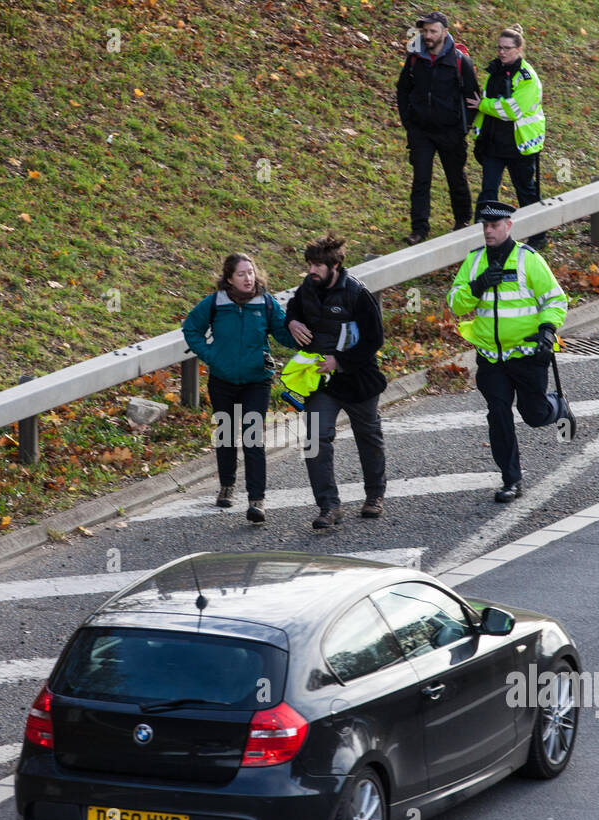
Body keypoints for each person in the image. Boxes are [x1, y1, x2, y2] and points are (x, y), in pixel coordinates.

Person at [447, 201, 572, 503]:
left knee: (533, 415)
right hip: (491, 358)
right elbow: (455, 303)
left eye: (495, 225)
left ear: (508, 226)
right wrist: (476, 287)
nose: (488, 230)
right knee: (498, 413)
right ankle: (511, 480)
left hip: (528, 355)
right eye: (485, 226)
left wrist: (547, 330)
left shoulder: (529, 259)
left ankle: (558, 408)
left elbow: (555, 299)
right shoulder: (475, 261)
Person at [182, 253, 298, 523]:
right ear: (229, 279)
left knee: (252, 437)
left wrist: (300, 331)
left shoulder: (266, 303)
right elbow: (191, 329)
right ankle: (227, 485)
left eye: (251, 272)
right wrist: (211, 356)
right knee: (225, 435)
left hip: (258, 380)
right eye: (242, 274)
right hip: (222, 380)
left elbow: (283, 334)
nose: (249, 278)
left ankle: (257, 500)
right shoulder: (215, 303)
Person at [284, 233, 388, 528]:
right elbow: (294, 307)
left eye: (318, 265)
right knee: (316, 441)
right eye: (309, 265)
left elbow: (374, 340)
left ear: (336, 266)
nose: (311, 271)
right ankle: (329, 507)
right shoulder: (308, 287)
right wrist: (291, 321)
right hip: (321, 381)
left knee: (368, 438)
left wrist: (340, 361)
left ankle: (374, 496)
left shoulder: (358, 294)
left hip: (358, 379)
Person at [396, 10, 481, 246]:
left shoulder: (459, 61)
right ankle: (419, 229)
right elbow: (402, 89)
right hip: (421, 131)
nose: (429, 35)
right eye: (425, 31)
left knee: (456, 178)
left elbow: (473, 96)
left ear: (445, 32)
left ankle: (463, 222)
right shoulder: (414, 58)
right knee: (420, 180)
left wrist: (462, 127)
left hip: (450, 132)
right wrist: (408, 121)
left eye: (433, 31)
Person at [468, 24, 547, 248]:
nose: (502, 52)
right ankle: (479, 235)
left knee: (526, 190)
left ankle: (538, 235)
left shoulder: (527, 78)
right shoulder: (494, 70)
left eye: (507, 48)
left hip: (519, 145)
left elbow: (513, 110)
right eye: (499, 47)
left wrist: (483, 105)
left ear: (519, 49)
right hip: (493, 144)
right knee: (488, 191)